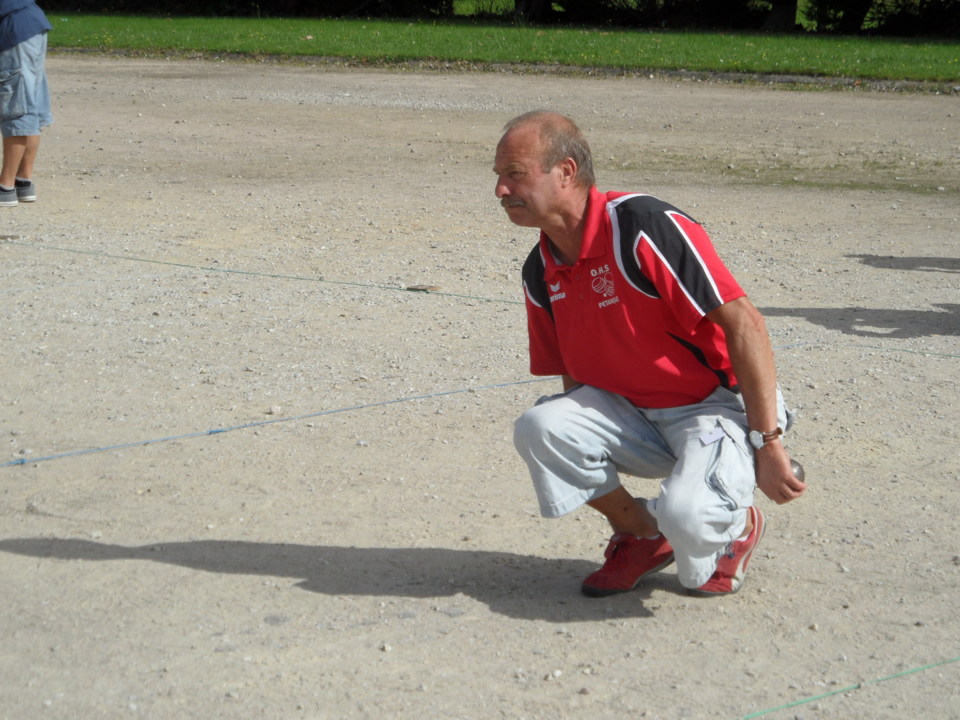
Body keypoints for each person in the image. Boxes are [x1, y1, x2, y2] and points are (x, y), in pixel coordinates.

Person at [496, 111, 806, 597]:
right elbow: (572, 383)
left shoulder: (645, 227)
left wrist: (768, 444)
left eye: (515, 174)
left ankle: (737, 525)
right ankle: (642, 533)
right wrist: (585, 452)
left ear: (567, 172)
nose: (500, 190)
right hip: (632, 414)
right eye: (499, 176)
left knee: (692, 533)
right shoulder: (541, 267)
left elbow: (746, 324)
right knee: (541, 427)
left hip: (712, 407)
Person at [0, 0, 52, 207]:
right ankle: (23, 181)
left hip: (15, 27)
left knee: (16, 105)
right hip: (30, 22)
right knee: (30, 100)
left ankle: (5, 186)